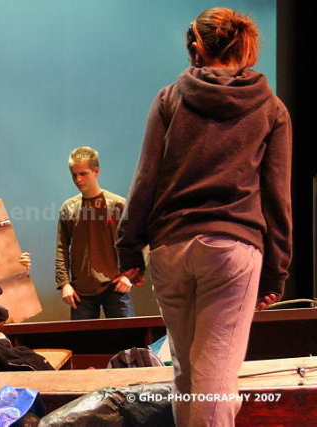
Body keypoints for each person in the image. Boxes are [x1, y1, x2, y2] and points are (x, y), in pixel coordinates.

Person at [116, 8, 292, 427]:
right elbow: (277, 196)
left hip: (171, 248)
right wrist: (277, 272)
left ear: (197, 45)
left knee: (189, 376)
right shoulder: (271, 108)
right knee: (215, 382)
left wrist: (129, 248)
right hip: (233, 249)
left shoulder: (169, 98)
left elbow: (145, 178)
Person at [55, 147, 135, 320]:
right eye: (74, 175)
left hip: (115, 285)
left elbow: (138, 241)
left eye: (83, 174)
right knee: (84, 337)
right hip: (81, 291)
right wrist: (64, 284)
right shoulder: (69, 208)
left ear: (96, 171)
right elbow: (62, 248)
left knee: (127, 335)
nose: (78, 179)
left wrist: (129, 275)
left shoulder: (118, 205)